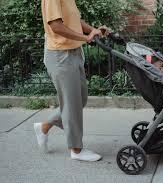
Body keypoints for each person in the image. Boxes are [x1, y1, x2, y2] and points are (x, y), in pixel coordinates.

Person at [34, 0, 109, 162]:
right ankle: (76, 150)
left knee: (79, 100)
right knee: (72, 104)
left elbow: (74, 22)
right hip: (60, 55)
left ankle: (44, 127)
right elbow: (56, 26)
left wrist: (92, 31)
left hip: (74, 52)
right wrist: (85, 37)